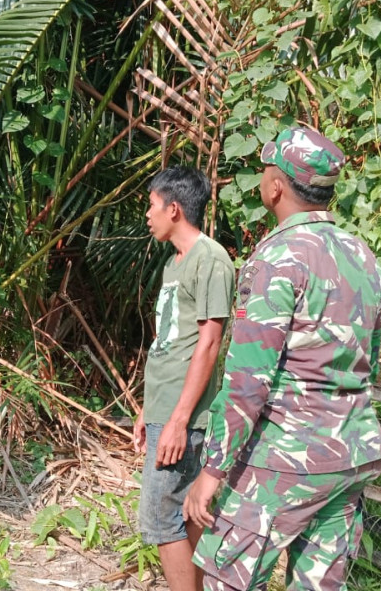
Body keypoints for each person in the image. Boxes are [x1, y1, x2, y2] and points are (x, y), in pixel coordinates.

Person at [183, 126, 381, 591]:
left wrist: (212, 472)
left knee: (227, 579)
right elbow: (368, 363)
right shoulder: (363, 256)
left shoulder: (278, 257)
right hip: (350, 453)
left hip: (285, 458)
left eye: (265, 172)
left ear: (276, 187)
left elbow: (247, 382)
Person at [135, 166, 235, 591]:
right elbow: (170, 342)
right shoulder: (173, 264)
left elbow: (210, 344)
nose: (148, 215)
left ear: (174, 209)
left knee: (160, 518)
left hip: (185, 413)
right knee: (181, 511)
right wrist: (148, 409)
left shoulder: (210, 259)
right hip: (166, 406)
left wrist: (178, 419)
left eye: (152, 206)